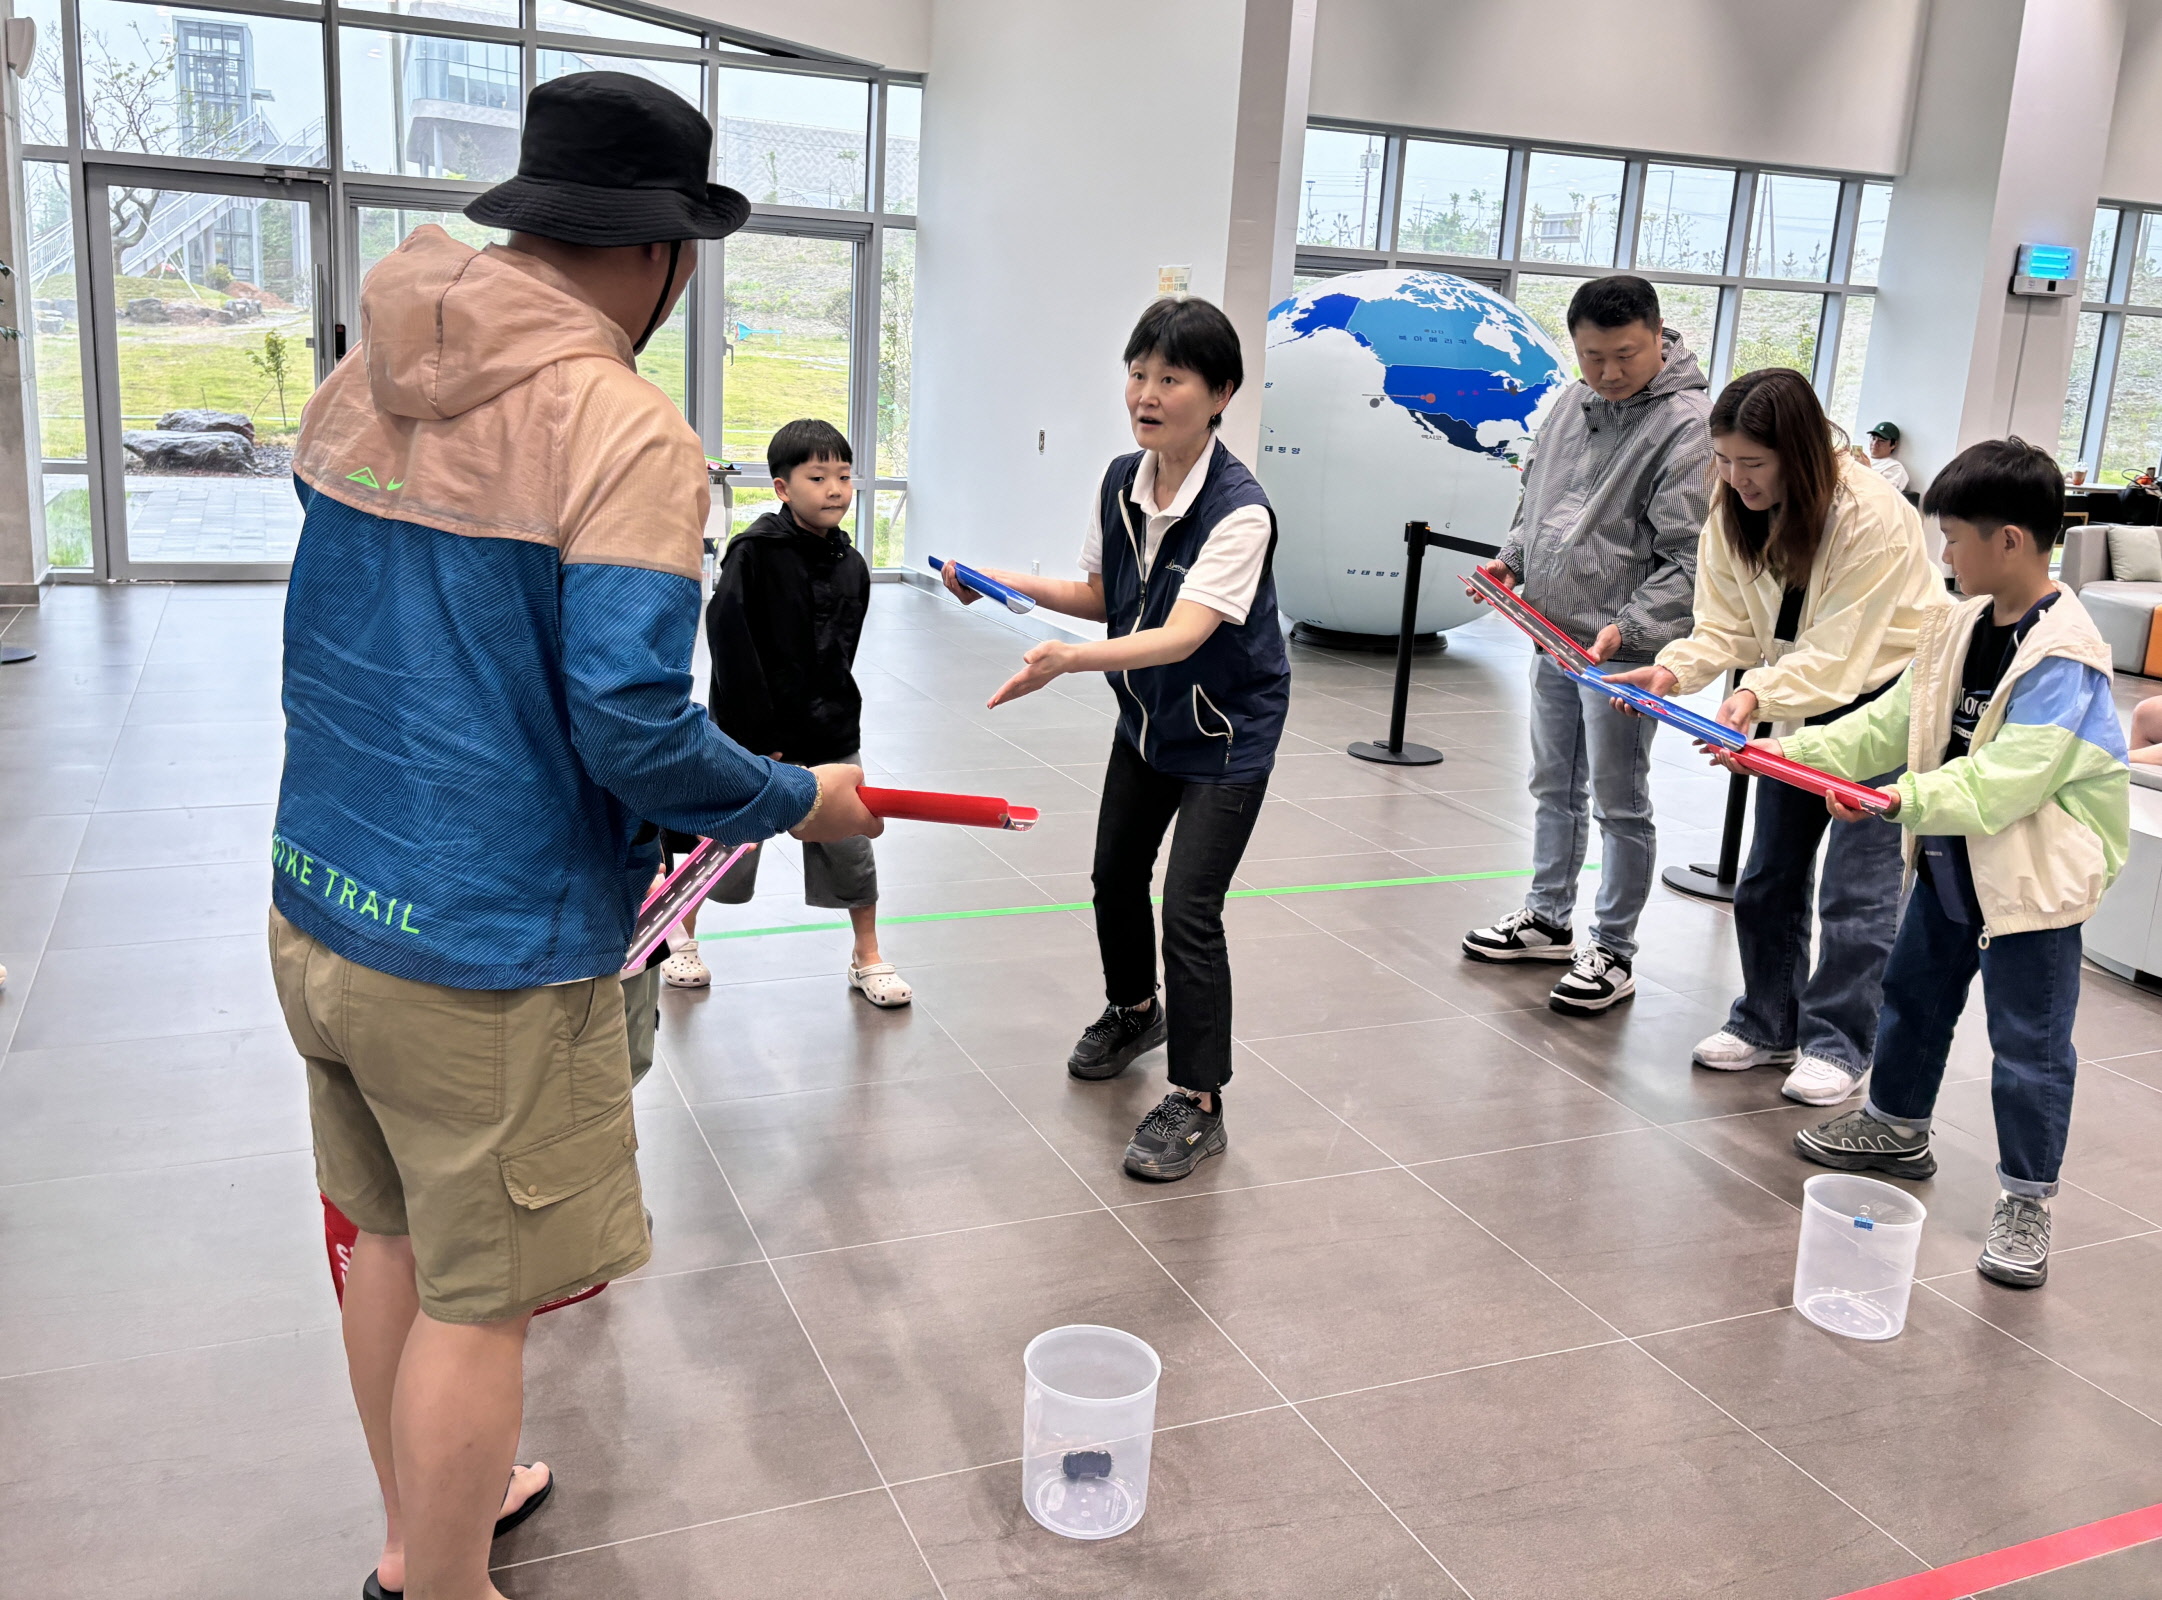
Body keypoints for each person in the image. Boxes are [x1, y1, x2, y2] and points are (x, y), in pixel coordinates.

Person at [266, 74, 881, 1600]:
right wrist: (799, 797)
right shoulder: (617, 427)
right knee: (479, 1299)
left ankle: (420, 1528)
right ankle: (440, 1584)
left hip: (320, 897)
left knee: (391, 1240)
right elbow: (634, 729)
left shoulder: (365, 373)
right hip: (482, 944)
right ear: (661, 253)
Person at [938, 296, 1283, 1182]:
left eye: (1171, 378)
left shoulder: (1241, 512)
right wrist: (1003, 581)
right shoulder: (1121, 480)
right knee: (1114, 875)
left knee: (1190, 910)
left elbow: (1184, 634)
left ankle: (1199, 1101)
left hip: (1225, 733)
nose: (1147, 393)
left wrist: (1067, 660)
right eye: (1138, 373)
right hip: (1148, 717)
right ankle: (1135, 1010)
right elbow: (1104, 596)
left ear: (1221, 394)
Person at [1772, 439, 2130, 1288]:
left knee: (2029, 1046)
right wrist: (1787, 752)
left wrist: (1894, 801)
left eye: (1955, 539)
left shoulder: (2066, 656)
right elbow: (1890, 724)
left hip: (2033, 886)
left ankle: (2027, 1200)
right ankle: (1897, 1126)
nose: (1946, 555)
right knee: (1913, 997)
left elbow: (2009, 781)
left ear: (2010, 540)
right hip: (1949, 862)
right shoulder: (1959, 624)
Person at [1609, 369, 1943, 1107]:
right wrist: (1672, 670)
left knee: (1859, 889)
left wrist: (1755, 696)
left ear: (1799, 453)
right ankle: (1768, 1023)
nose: (1736, 478)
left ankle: (1840, 1044)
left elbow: (1843, 654)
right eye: (1724, 460)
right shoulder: (1732, 508)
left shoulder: (1873, 515)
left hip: (1884, 701)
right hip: (1791, 696)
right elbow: (1724, 624)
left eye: (1753, 463)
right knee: (1769, 873)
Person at [1461, 275, 1712, 1015]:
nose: (1607, 372)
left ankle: (1614, 948)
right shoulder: (1574, 402)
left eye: (1624, 355)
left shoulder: (1688, 425)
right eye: (1592, 356)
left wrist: (1631, 628)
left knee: (1619, 802)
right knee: (1552, 785)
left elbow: (1690, 556)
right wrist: (1513, 560)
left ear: (1659, 336)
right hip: (1551, 633)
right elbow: (1537, 499)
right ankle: (1547, 917)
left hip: (1622, 654)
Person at [702, 419, 910, 1006]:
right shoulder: (754, 554)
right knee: (722, 843)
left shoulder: (852, 564)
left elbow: (842, 649)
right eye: (817, 478)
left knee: (851, 843)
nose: (835, 489)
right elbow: (730, 643)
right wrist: (754, 733)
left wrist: (834, 717)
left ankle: (867, 955)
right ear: (782, 488)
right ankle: (679, 936)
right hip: (752, 736)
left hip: (828, 732)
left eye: (844, 476)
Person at [1857, 421, 1909, 493]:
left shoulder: (1895, 467)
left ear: (1893, 445)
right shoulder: (1861, 458)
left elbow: (1884, 494)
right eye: (1873, 438)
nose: (1875, 443)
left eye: (1881, 441)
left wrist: (1865, 469)